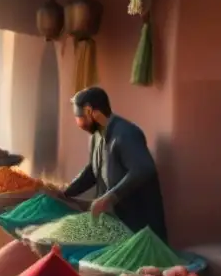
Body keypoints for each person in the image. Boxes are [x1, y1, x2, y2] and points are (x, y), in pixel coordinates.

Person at [60, 86, 168, 239]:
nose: (77, 122)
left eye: (78, 116)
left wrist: (110, 197)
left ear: (89, 111)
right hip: (117, 225)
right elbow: (92, 170)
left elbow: (143, 168)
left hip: (140, 227)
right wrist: (65, 192)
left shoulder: (126, 134)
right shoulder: (96, 137)